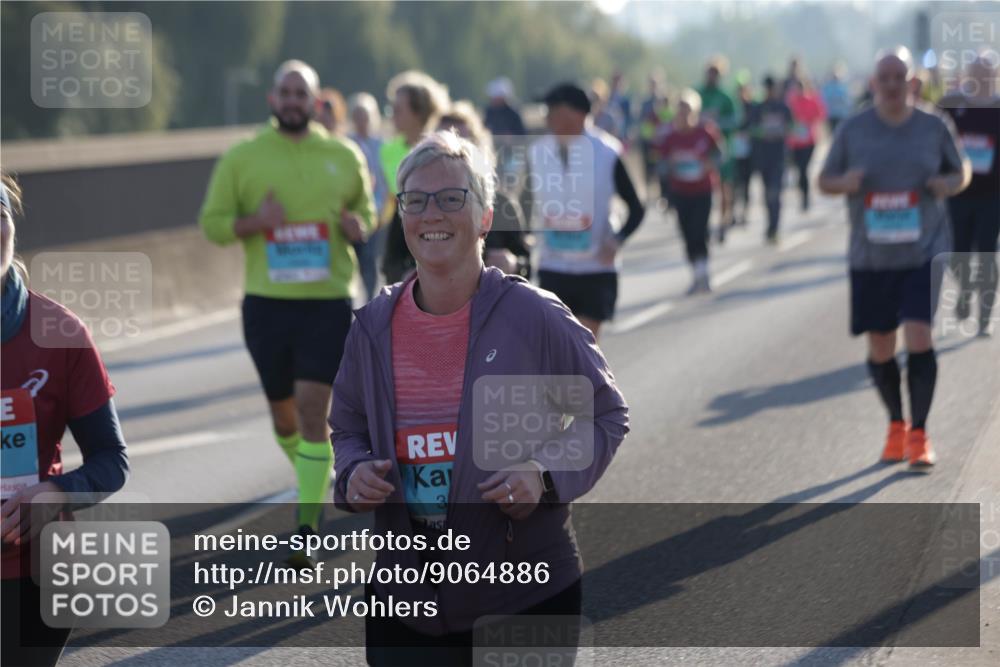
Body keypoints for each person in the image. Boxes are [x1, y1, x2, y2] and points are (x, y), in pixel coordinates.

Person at [329, 130, 629, 665]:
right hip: (405, 600)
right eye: (415, 201)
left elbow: (604, 415)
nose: (432, 214)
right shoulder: (373, 327)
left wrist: (542, 473)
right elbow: (347, 425)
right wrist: (353, 471)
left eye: (451, 198)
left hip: (523, 594)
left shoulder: (532, 315)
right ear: (402, 217)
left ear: (486, 217)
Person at [199, 60, 374, 564]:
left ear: (316, 103)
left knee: (313, 409)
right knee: (285, 418)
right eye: (286, 92)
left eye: (303, 93)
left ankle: (306, 524)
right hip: (266, 303)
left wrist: (356, 224)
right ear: (273, 100)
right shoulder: (243, 157)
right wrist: (258, 221)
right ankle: (315, 474)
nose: (294, 100)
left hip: (327, 299)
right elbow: (211, 224)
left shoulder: (343, 154)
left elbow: (367, 210)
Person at [819, 47, 971, 471]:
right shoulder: (853, 130)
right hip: (871, 255)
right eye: (883, 77)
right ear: (873, 83)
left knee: (919, 335)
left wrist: (946, 183)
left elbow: (962, 172)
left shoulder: (933, 125)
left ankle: (920, 434)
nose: (890, 84)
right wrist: (844, 182)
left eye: (898, 77)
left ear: (911, 82)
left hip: (923, 248)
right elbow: (824, 180)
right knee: (881, 344)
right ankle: (896, 425)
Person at [1, 174, 129, 667]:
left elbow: (110, 460)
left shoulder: (59, 333)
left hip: (35, 575)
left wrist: (56, 494)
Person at [528, 82, 646, 339]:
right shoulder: (537, 152)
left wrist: (617, 240)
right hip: (553, 267)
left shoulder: (607, 152)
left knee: (584, 344)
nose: (546, 116)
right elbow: (523, 202)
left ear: (574, 113)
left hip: (596, 268)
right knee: (557, 347)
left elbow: (636, 207)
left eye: (552, 109)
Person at [381, 101, 533, 280]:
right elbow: (390, 263)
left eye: (462, 142)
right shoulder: (413, 202)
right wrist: (407, 277)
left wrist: (513, 263)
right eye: (441, 143)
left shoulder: (501, 203)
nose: (451, 152)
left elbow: (527, 264)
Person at [939, 57, 1000, 337]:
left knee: (988, 253)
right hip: (957, 193)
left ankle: (985, 319)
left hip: (992, 196)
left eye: (987, 73)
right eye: (976, 72)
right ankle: (965, 289)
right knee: (957, 253)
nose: (982, 78)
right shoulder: (951, 104)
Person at [380, 70, 451, 283]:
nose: (392, 115)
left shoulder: (446, 149)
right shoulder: (387, 151)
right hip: (401, 232)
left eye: (398, 109)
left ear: (419, 112)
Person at [655, 89, 723, 294]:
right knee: (686, 233)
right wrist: (670, 165)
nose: (683, 116)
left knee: (699, 230)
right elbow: (661, 165)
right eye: (680, 111)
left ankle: (704, 274)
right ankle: (696, 274)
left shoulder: (706, 132)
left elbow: (720, 154)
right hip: (681, 191)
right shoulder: (671, 137)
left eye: (688, 111)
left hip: (703, 189)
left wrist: (708, 165)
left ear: (695, 113)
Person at [348, 92, 391, 301]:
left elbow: (386, 180)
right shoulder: (346, 145)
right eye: (357, 116)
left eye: (365, 116)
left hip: (376, 211)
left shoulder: (382, 146)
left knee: (371, 258)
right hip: (352, 213)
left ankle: (371, 299)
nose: (361, 121)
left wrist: (383, 208)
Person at [748, 75, 793, 243]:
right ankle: (770, 224)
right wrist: (763, 132)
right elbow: (751, 129)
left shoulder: (783, 108)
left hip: (779, 156)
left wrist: (782, 131)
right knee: (767, 193)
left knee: (776, 192)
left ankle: (775, 227)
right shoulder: (758, 108)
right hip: (763, 156)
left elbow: (792, 127)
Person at [697, 58, 739, 238]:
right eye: (710, 72)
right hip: (701, 151)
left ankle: (724, 219)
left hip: (722, 148)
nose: (712, 76)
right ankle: (703, 222)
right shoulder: (697, 94)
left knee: (724, 186)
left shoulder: (726, 97)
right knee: (703, 187)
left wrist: (717, 123)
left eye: (716, 73)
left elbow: (735, 120)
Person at [786, 79, 827, 211]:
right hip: (795, 142)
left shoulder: (812, 99)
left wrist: (809, 120)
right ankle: (803, 196)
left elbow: (821, 114)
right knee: (799, 171)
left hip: (809, 141)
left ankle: (806, 198)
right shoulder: (790, 101)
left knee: (804, 169)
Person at [732, 80, 756, 227]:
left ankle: (745, 212)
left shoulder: (752, 108)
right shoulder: (734, 108)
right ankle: (733, 213)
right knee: (735, 185)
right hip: (735, 152)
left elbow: (755, 126)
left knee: (746, 184)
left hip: (748, 152)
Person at [821, 63, 853, 134]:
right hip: (831, 114)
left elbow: (848, 100)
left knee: (841, 132)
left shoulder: (843, 86)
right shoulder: (827, 86)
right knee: (833, 133)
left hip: (841, 114)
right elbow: (823, 100)